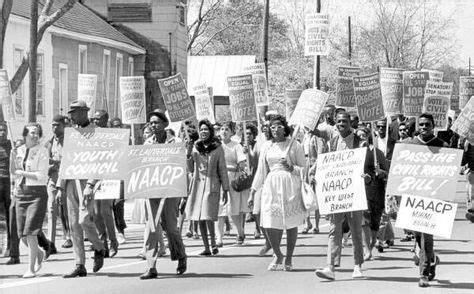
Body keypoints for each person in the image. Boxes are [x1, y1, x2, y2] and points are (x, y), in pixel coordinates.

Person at [249, 114, 306, 271]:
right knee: (268, 222)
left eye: (279, 126)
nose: (275, 130)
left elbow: (304, 169)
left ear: (285, 128)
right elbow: (261, 171)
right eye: (272, 127)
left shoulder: (295, 145)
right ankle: (278, 253)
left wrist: (291, 168)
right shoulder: (266, 146)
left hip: (290, 185)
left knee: (290, 223)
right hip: (271, 185)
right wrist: (252, 191)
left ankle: (288, 257)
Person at [56, 100, 106, 278]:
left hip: (87, 183)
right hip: (71, 182)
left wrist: (91, 184)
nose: (71, 115)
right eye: (70, 112)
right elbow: (65, 160)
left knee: (85, 220)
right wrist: (60, 187)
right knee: (74, 224)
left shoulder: (97, 133)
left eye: (75, 112)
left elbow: (102, 160)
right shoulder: (71, 134)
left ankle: (99, 248)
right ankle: (80, 264)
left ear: (84, 112)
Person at [315, 111, 365, 280]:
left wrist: (367, 175)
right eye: (339, 121)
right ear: (335, 123)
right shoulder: (332, 141)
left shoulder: (360, 141)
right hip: (337, 193)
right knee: (334, 229)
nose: (341, 124)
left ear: (350, 123)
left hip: (354, 192)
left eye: (344, 121)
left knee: (356, 230)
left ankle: (357, 265)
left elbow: (367, 166)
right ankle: (330, 267)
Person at [140, 108, 187, 279]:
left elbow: (181, 167)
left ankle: (180, 255)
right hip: (152, 190)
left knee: (170, 227)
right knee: (151, 228)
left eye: (156, 122)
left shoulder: (175, 142)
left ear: (165, 124)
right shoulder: (147, 144)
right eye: (151, 123)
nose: (153, 125)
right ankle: (151, 266)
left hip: (170, 191)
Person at [403, 113, 447, 287]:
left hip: (432, 198)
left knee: (425, 237)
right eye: (421, 124)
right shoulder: (409, 145)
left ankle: (423, 273)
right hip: (413, 197)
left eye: (427, 124)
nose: (423, 127)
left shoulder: (442, 146)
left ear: (433, 126)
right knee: (417, 234)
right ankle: (432, 258)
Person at [185, 119, 230, 255]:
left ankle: (213, 243)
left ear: (210, 131)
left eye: (206, 129)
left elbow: (222, 169)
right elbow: (190, 168)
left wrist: (225, 189)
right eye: (201, 129)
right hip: (197, 185)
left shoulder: (217, 147)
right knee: (199, 217)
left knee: (208, 216)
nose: (203, 132)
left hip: (212, 184)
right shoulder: (195, 147)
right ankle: (206, 247)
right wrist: (188, 153)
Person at [12, 123, 49, 278]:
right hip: (20, 193)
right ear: (25, 134)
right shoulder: (17, 151)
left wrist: (24, 173)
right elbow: (14, 173)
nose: (35, 135)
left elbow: (42, 176)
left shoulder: (43, 151)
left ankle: (31, 269)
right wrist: (14, 188)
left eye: (37, 133)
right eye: (32, 132)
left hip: (37, 194)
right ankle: (39, 253)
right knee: (22, 234)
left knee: (31, 232)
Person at [356, 127, 389, 261]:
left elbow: (387, 173)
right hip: (360, 189)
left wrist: (379, 171)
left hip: (376, 189)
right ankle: (367, 249)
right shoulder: (353, 153)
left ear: (368, 137)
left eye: (364, 135)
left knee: (375, 220)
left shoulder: (377, 153)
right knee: (364, 219)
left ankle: (372, 243)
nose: (361, 138)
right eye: (359, 136)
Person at [90, 110, 119, 258]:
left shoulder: (113, 136)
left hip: (109, 176)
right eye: (93, 119)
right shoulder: (91, 136)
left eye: (98, 119)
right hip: (95, 177)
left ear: (106, 120)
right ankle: (103, 244)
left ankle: (113, 241)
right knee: (95, 213)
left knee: (105, 212)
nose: (95, 122)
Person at [217, 121, 249, 246]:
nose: (224, 132)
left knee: (233, 208)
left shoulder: (236, 145)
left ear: (231, 132)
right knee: (220, 208)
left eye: (226, 130)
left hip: (232, 178)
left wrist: (241, 163)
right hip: (219, 178)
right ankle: (219, 237)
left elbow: (242, 163)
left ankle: (240, 232)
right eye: (222, 129)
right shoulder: (216, 145)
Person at [44, 115, 72, 252]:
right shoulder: (48, 143)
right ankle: (51, 243)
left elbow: (71, 161)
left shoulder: (70, 141)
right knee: (51, 210)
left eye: (57, 125)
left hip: (67, 180)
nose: (55, 128)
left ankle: (70, 236)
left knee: (66, 211)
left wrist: (59, 164)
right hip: (53, 180)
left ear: (64, 126)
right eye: (53, 125)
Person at [109, 117, 127, 245]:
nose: (117, 128)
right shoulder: (108, 142)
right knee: (107, 207)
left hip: (122, 176)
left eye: (119, 126)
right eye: (114, 126)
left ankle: (121, 231)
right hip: (109, 177)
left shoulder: (126, 141)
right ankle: (109, 233)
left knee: (118, 204)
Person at [0, 122, 13, 261]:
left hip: (9, 183)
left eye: (4, 130)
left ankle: (10, 247)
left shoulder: (12, 146)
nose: (2, 132)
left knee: (10, 217)